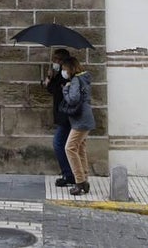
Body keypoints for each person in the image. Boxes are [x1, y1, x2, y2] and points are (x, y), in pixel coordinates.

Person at [61, 54, 95, 196]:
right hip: (86, 118)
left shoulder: (75, 80)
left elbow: (73, 99)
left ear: (70, 68)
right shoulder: (84, 78)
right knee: (80, 149)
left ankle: (80, 182)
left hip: (81, 120)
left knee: (69, 148)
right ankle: (84, 180)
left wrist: (65, 90)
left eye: (64, 68)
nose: (63, 71)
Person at [42, 48, 76, 187]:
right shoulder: (59, 75)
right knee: (67, 145)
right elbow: (52, 89)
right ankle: (71, 174)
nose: (54, 62)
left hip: (66, 116)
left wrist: (55, 81)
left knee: (59, 143)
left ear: (62, 61)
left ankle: (69, 174)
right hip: (61, 115)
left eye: (56, 59)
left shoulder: (67, 76)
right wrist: (50, 77)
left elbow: (62, 93)